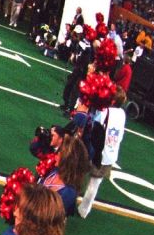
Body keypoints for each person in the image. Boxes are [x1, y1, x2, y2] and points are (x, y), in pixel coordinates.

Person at [78, 89, 127, 218]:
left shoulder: (105, 112)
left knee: (79, 175)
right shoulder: (122, 114)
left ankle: (69, 200)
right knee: (95, 184)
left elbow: (93, 124)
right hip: (110, 154)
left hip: (96, 150)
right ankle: (84, 211)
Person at [40, 132, 90, 218]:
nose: (57, 154)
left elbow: (46, 217)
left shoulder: (68, 192)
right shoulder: (54, 171)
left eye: (61, 152)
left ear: (68, 161)